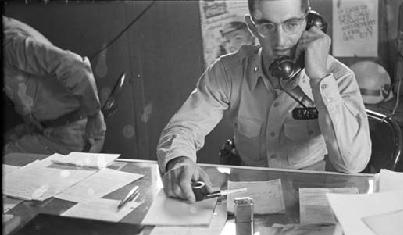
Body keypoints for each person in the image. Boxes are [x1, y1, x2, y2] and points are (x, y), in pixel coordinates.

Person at [158, 0, 371, 202]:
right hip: (250, 198)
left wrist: (319, 79)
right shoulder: (228, 72)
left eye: (292, 24)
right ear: (251, 26)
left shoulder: (338, 78)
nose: (280, 41)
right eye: (267, 26)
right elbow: (184, 126)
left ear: (308, 23)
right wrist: (179, 161)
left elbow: (352, 165)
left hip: (310, 200)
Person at [3, 16, 106, 155]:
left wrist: (95, 115)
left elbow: (76, 67)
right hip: (46, 126)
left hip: (71, 134)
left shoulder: (11, 44)